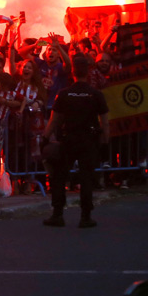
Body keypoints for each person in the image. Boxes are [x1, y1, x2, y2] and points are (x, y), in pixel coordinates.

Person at [41, 55, 109, 228]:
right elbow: (104, 123)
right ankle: (85, 217)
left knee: (59, 177)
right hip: (89, 141)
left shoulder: (64, 94)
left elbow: (54, 120)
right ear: (88, 71)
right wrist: (105, 143)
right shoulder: (96, 94)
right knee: (87, 178)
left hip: (68, 140)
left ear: (73, 71)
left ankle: (58, 214)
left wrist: (45, 138)